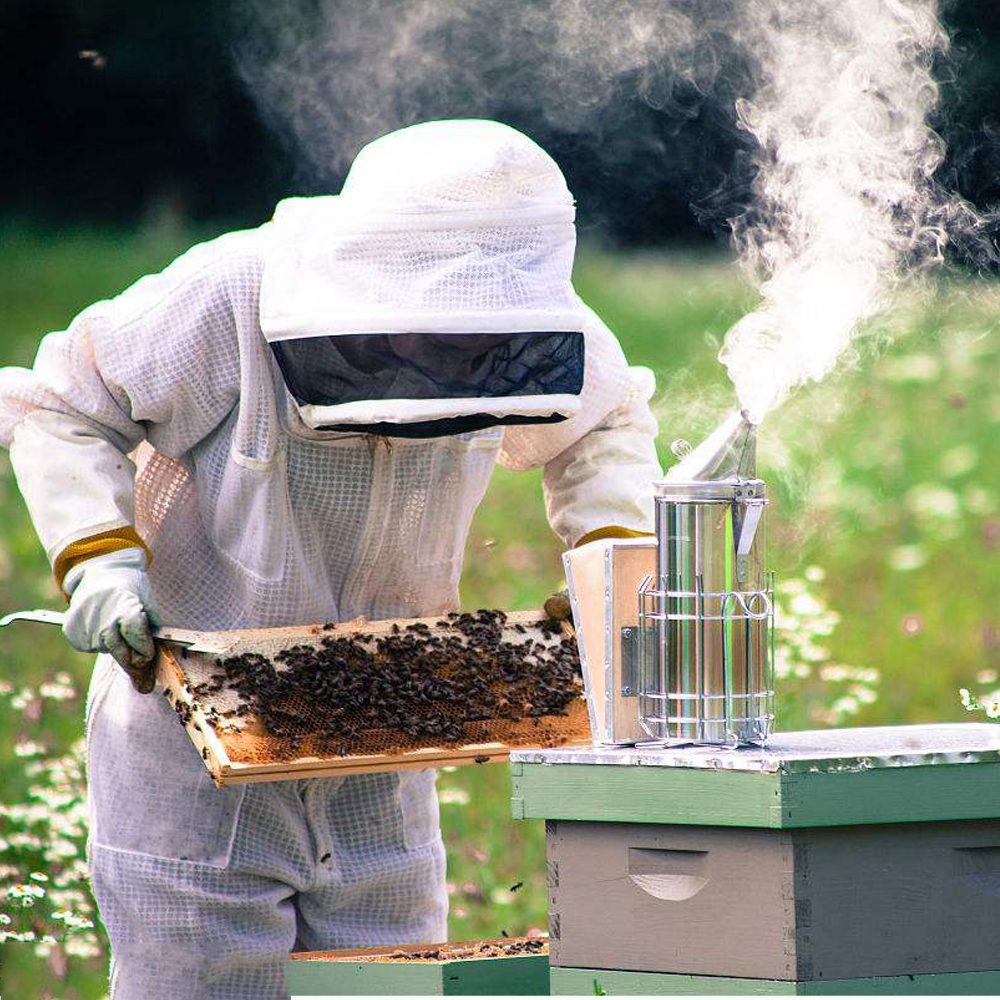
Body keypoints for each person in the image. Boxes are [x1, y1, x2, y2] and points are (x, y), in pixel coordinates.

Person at [0, 119, 661, 1000]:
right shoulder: (233, 291)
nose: (441, 363)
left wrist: (608, 552)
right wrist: (99, 559)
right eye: (429, 342)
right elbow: (64, 402)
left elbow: (606, 421)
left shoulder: (523, 317)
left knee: (384, 989)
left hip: (386, 753)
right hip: (192, 762)